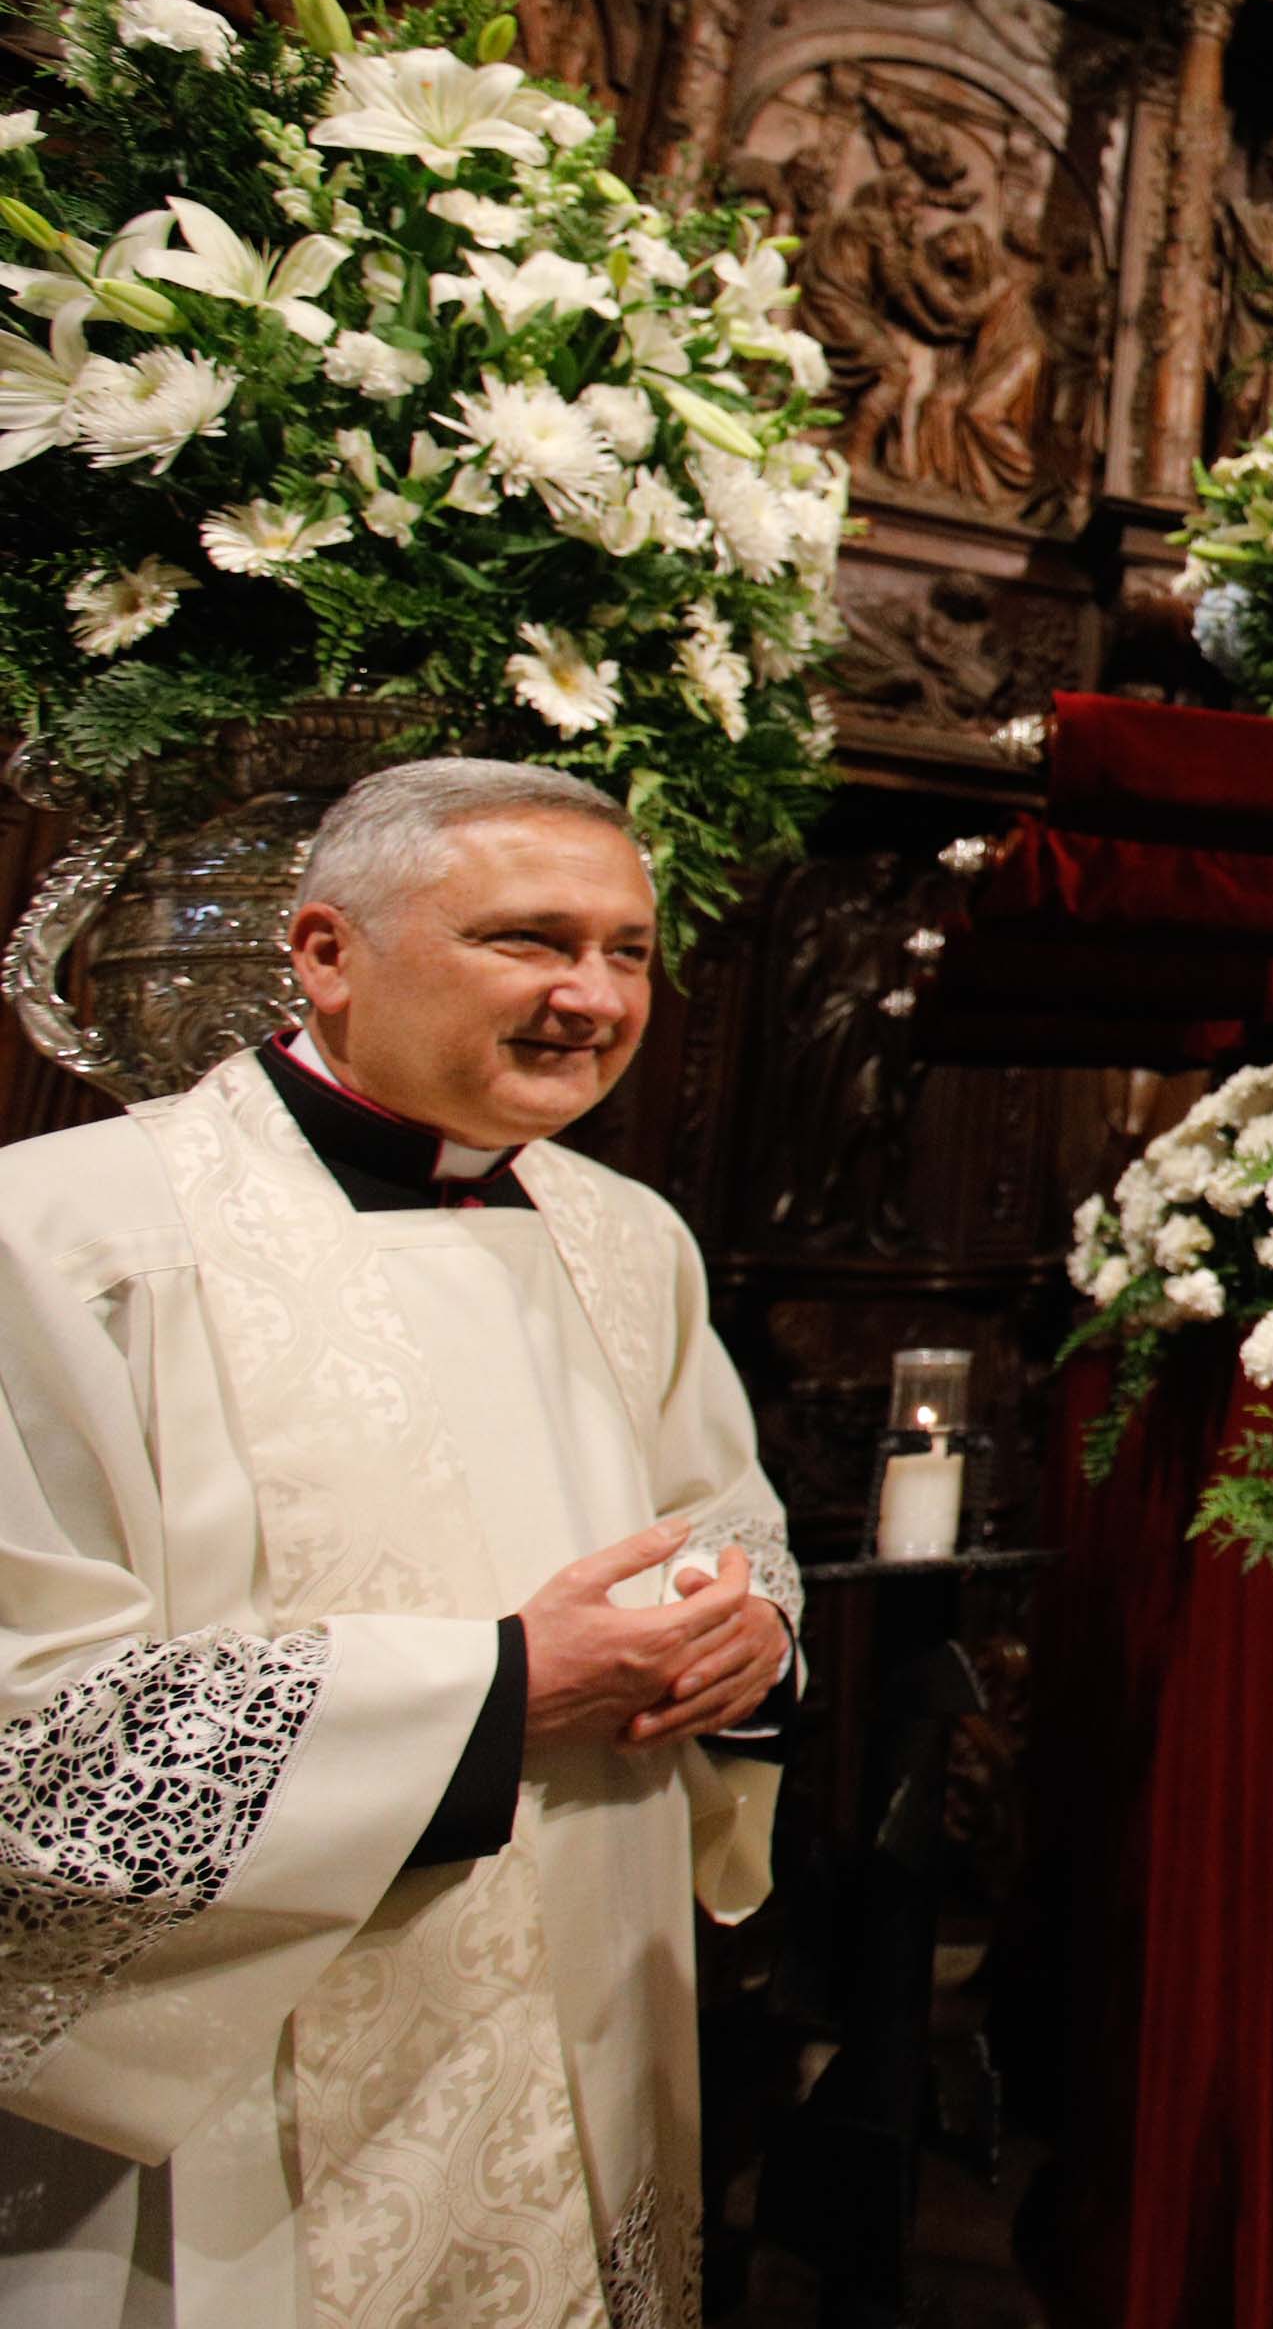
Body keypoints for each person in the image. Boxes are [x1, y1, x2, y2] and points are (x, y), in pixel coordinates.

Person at [0, 759, 798, 2325]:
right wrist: (497, 1692)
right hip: (237, 2098)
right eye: (529, 939)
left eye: (628, 949)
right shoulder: (67, 1238)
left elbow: (728, 1518)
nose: (591, 995)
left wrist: (750, 1632)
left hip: (588, 2006)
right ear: (324, 952)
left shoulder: (627, 1236)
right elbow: (30, 1733)